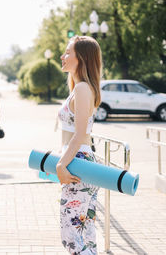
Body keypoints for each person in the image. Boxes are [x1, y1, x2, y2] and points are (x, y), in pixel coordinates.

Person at [56, 35, 102, 254]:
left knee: (71, 236)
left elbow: (80, 133)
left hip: (78, 162)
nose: (62, 56)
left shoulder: (83, 88)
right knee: (85, 232)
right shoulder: (78, 87)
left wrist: (61, 165)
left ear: (81, 58)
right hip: (79, 162)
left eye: (67, 52)